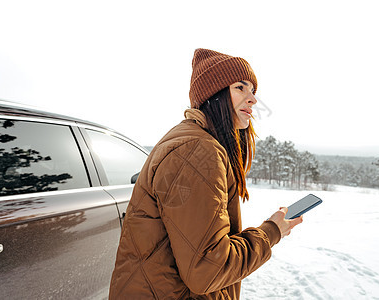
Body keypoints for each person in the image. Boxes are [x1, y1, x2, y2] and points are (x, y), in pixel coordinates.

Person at [109, 48, 303, 299]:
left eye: (253, 91)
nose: (253, 99)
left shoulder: (194, 141)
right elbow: (208, 270)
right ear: (215, 94)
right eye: (240, 88)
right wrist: (270, 232)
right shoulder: (197, 151)